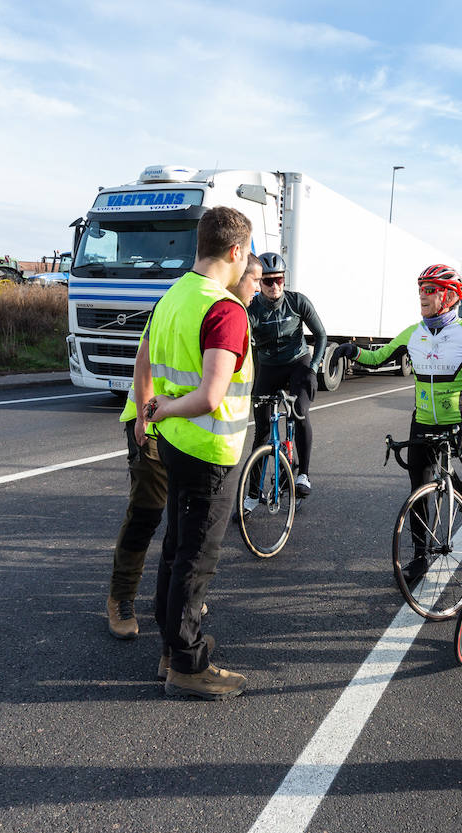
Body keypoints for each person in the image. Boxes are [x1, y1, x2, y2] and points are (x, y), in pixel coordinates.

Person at [100, 255, 262, 640]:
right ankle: (121, 597)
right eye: (253, 277)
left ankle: (178, 601)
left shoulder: (215, 307)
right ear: (234, 266)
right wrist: (143, 417)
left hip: (184, 431)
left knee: (181, 524)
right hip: (153, 422)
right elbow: (145, 362)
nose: (257, 286)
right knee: (147, 512)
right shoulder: (202, 303)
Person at [132, 206, 255, 701]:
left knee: (175, 547)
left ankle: (169, 647)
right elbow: (210, 395)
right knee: (197, 557)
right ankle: (186, 662)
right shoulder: (224, 309)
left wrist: (152, 413)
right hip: (208, 448)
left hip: (179, 446)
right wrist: (161, 412)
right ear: (236, 251)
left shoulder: (172, 296)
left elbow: (144, 359)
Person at [332, 264, 462, 584]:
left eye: (430, 290)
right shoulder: (413, 333)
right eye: (421, 290)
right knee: (419, 492)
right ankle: (419, 557)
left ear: (450, 296)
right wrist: (353, 350)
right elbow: (378, 357)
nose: (422, 296)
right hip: (423, 423)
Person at [245, 251, 326, 500]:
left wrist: (313, 368)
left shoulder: (297, 301)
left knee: (300, 412)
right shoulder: (252, 309)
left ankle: (304, 474)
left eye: (279, 279)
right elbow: (245, 348)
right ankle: (252, 494)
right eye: (268, 281)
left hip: (297, 363)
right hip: (268, 367)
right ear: (259, 282)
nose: (274, 286)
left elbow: (321, 335)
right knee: (262, 431)